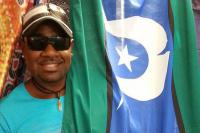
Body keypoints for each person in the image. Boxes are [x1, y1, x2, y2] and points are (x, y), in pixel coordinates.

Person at [0, 3, 73, 133]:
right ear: (23, 48)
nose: (50, 52)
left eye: (59, 41)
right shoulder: (5, 116)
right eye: (38, 41)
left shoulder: (91, 94)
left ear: (71, 47)